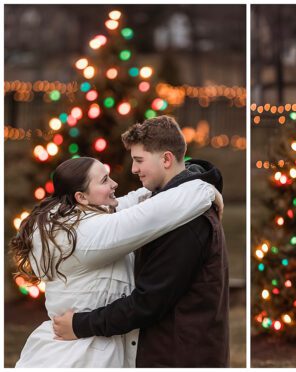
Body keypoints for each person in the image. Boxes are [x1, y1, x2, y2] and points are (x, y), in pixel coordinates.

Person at [52, 115, 230, 367]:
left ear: (166, 159)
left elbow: (149, 302)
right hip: (172, 348)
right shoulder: (168, 206)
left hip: (181, 354)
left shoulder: (185, 221)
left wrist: (80, 324)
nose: (133, 169)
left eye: (139, 160)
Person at [11, 156, 220, 368]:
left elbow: (138, 199)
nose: (114, 184)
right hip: (80, 357)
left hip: (79, 349)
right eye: (104, 180)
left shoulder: (76, 219)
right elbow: (153, 213)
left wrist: (187, 167)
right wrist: (206, 190)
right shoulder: (87, 235)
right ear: (81, 196)